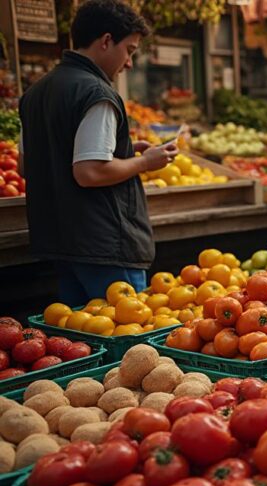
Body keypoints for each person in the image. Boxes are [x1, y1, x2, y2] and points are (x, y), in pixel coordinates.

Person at [19, 0, 174, 306]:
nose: (129, 62)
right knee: (127, 342)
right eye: (129, 49)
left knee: (81, 336)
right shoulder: (96, 93)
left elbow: (26, 166)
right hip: (105, 246)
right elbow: (89, 172)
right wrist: (144, 162)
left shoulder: (34, 93)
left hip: (61, 243)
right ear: (106, 41)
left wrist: (127, 155)